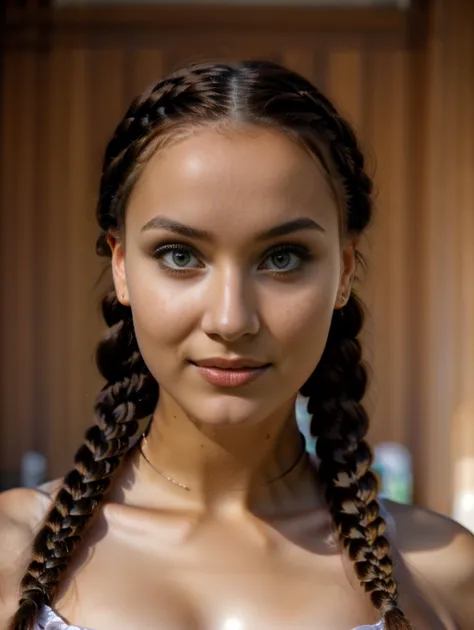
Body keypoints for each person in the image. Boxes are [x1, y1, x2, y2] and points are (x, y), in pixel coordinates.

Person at [0, 60, 473, 630]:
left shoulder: (445, 575)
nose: (231, 319)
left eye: (282, 258)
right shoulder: (8, 557)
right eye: (180, 255)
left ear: (344, 271)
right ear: (121, 265)